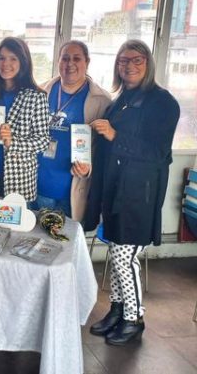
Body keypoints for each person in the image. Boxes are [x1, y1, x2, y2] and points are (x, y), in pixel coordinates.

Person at [84, 39, 179, 346]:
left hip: (140, 195)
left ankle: (134, 318)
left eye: (137, 60)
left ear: (148, 63)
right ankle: (117, 310)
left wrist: (114, 134)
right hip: (116, 191)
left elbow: (158, 153)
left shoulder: (163, 102)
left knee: (126, 258)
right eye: (123, 61)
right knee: (116, 253)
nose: (129, 66)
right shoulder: (122, 98)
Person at [37, 41, 111, 220]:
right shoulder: (40, 91)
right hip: (36, 187)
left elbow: (104, 151)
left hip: (72, 192)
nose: (70, 64)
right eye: (65, 58)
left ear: (87, 62)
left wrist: (88, 169)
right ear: (58, 62)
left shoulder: (102, 100)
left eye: (76, 58)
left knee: (66, 237)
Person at [0, 37, 50, 203]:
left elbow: (43, 141)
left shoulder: (36, 97)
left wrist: (12, 142)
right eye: (1, 58)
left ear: (23, 62)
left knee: (16, 220)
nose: (6, 63)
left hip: (19, 180)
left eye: (13, 58)